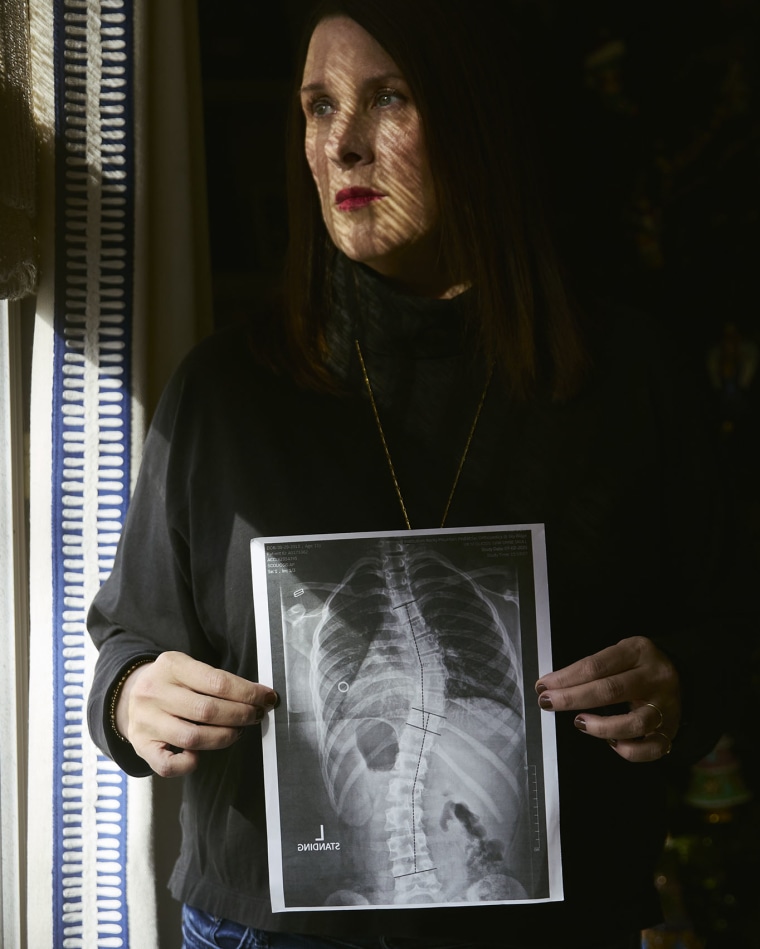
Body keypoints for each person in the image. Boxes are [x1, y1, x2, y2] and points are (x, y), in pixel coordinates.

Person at [86, 2, 737, 947]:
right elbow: (129, 635)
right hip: (266, 929)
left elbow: (732, 622)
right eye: (317, 106)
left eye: (388, 97)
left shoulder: (625, 376)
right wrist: (132, 695)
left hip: (555, 922)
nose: (342, 145)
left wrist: (685, 683)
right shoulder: (226, 391)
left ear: (480, 120)